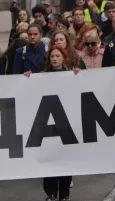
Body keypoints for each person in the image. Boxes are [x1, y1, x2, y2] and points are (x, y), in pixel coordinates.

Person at [34, 46, 79, 201]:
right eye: (52, 56)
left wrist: (78, 77)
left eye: (57, 56)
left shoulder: (71, 74)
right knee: (50, 159)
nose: (54, 59)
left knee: (65, 159)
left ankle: (64, 194)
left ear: (63, 58)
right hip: (47, 124)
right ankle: (51, 193)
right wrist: (27, 78)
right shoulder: (41, 76)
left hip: (66, 124)